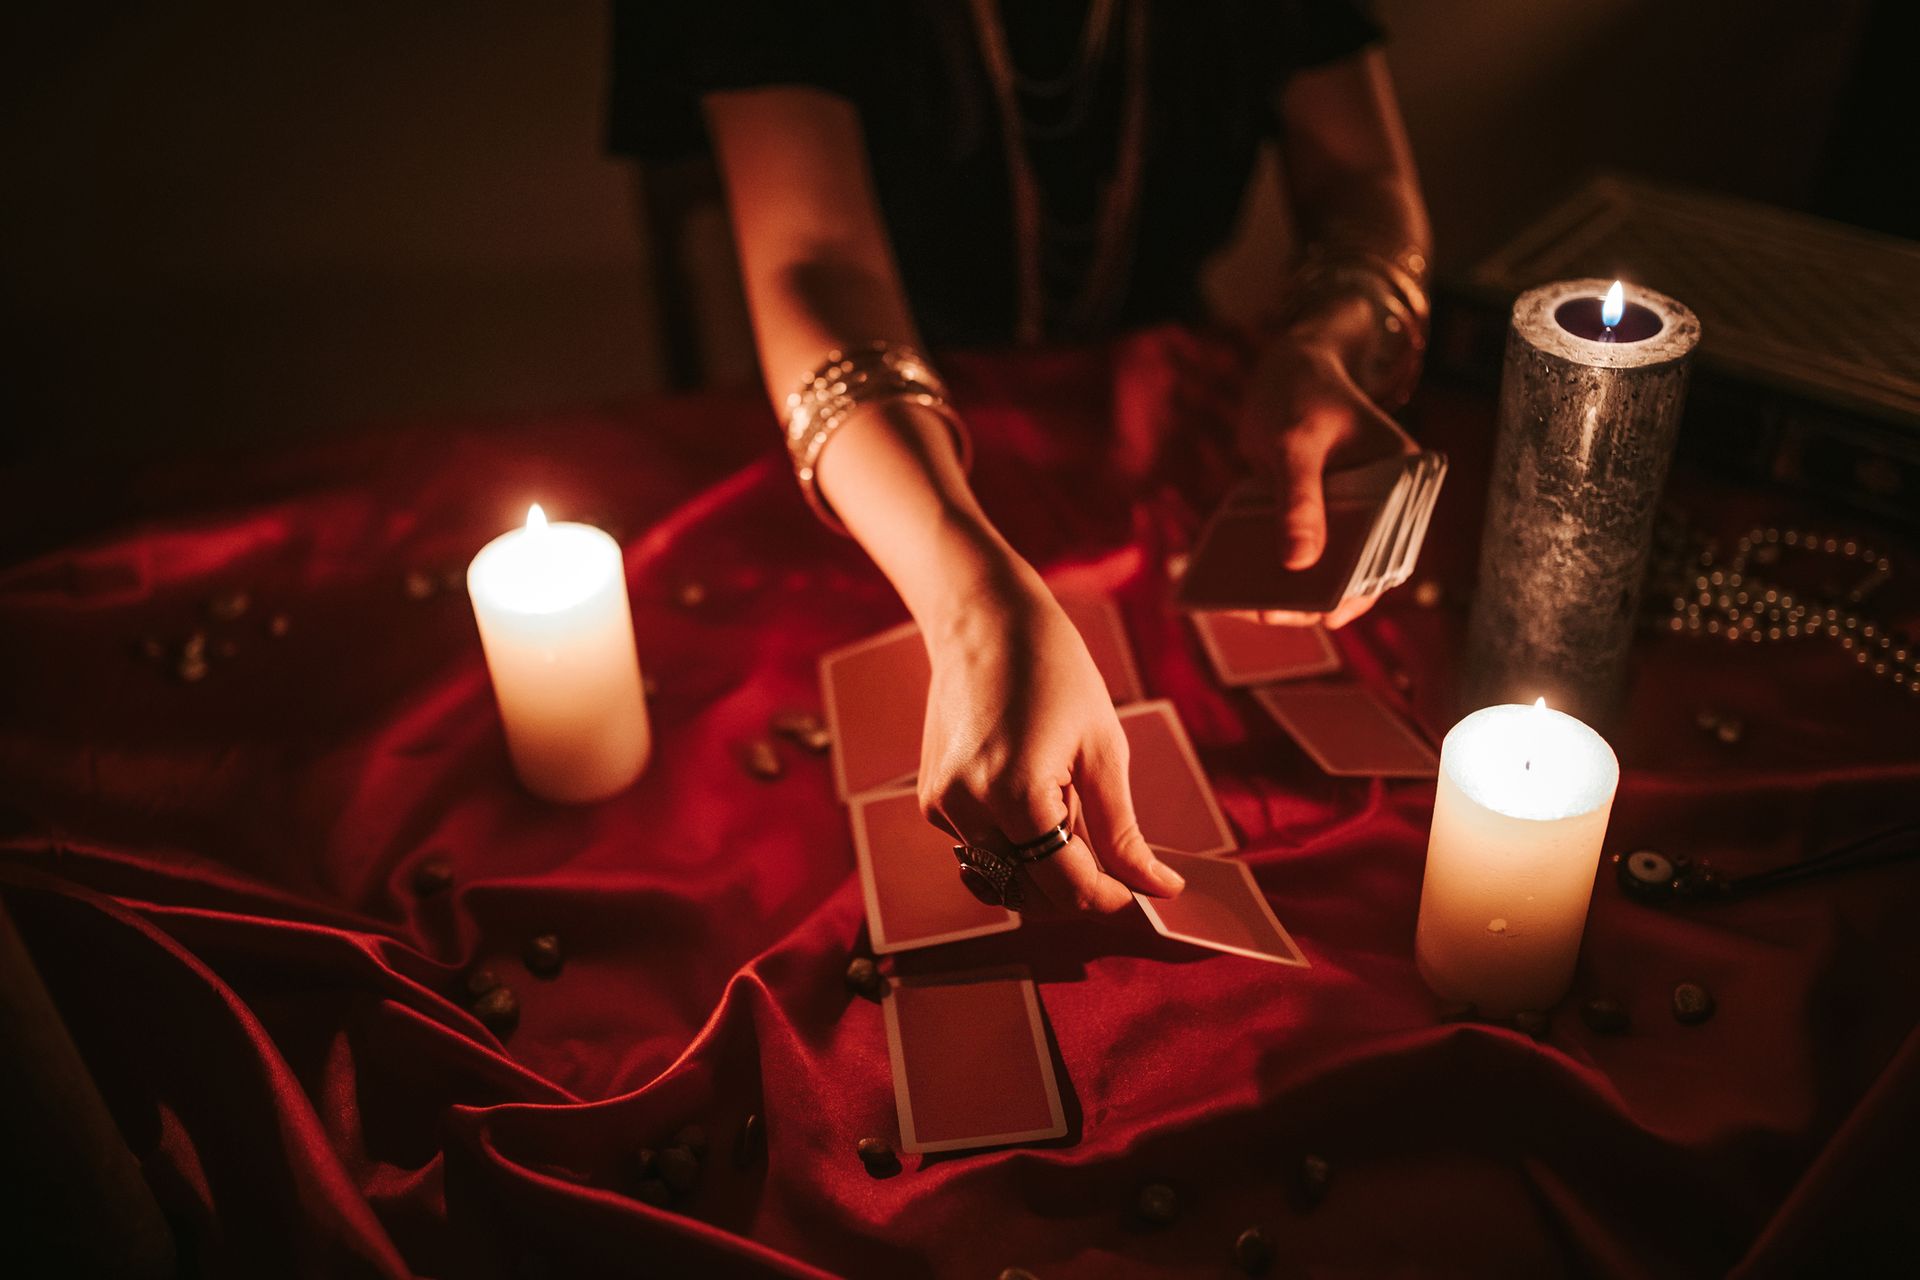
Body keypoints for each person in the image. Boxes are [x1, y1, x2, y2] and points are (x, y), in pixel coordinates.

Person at [610, 1, 1431, 917]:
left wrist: (1324, 342)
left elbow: (1364, 183)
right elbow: (817, 259)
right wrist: (970, 608)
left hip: (1190, 428)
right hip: (885, 465)